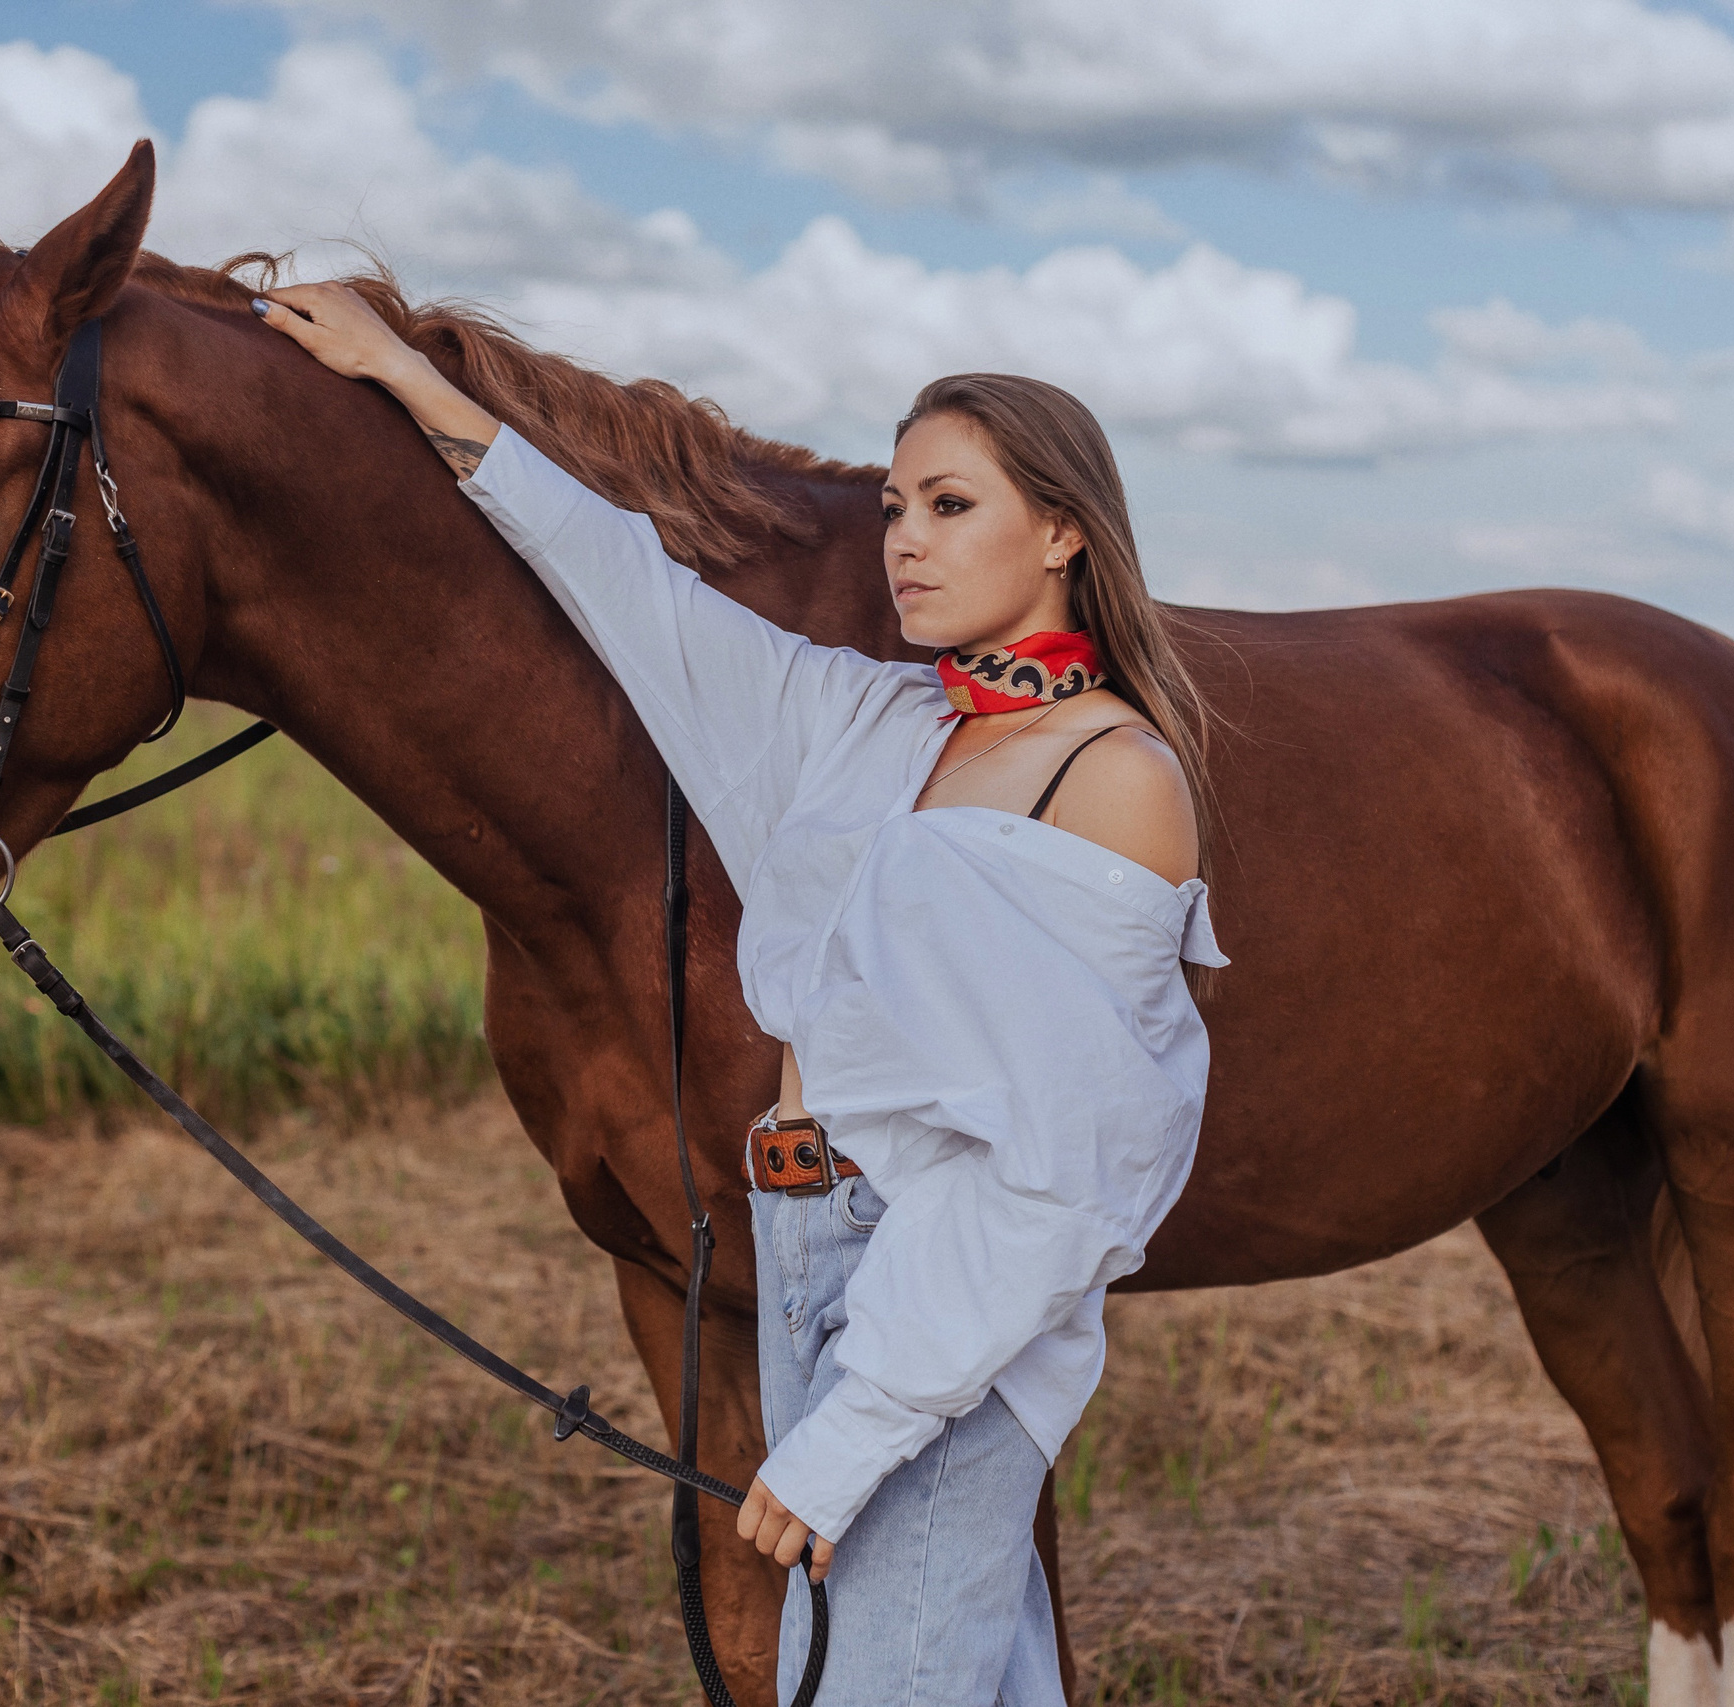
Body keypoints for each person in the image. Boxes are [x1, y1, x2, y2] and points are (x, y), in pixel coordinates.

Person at [254, 283, 1226, 1707]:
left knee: (877, 1687)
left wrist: (855, 1427)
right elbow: (632, 593)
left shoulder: (1114, 780)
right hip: (808, 1245)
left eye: (951, 506)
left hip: (944, 1310)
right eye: (894, 508)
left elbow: (1070, 1179)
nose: (905, 541)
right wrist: (419, 386)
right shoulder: (871, 720)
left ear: (1064, 528)